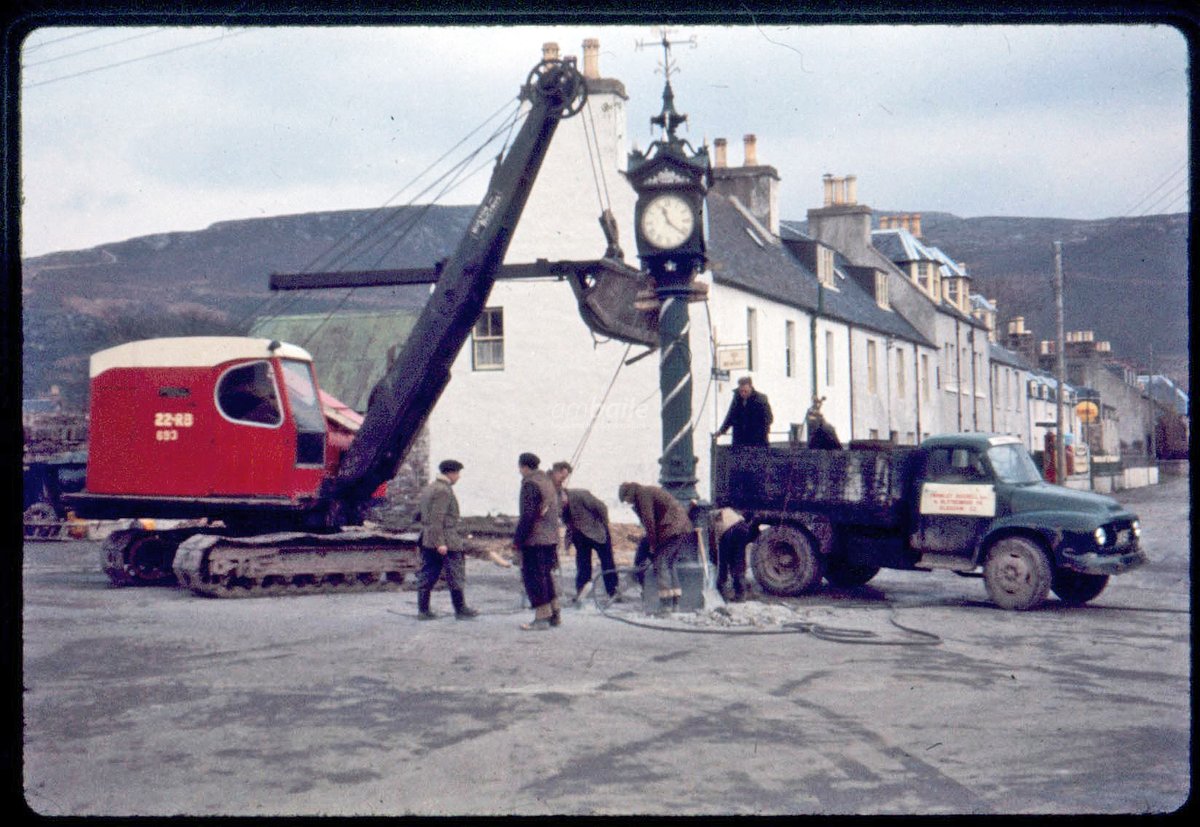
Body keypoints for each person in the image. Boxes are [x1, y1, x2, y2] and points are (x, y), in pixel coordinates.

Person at [617, 481, 696, 616]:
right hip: (680, 527)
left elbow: (649, 520)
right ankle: (675, 603)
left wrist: (653, 545)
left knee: (661, 563)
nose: (628, 503)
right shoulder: (647, 491)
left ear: (629, 493)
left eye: (626, 500)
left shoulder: (642, 494)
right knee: (670, 564)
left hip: (672, 527)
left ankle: (666, 606)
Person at [414, 459, 478, 621]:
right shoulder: (444, 490)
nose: (458, 477)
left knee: (428, 573)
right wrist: (440, 542)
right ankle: (460, 609)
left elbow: (419, 514)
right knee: (455, 572)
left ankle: (423, 610)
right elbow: (438, 518)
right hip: (445, 539)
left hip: (428, 538)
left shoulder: (430, 488)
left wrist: (432, 536)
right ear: (450, 473)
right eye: (458, 473)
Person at [550, 461, 620, 604]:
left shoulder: (581, 494)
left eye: (561, 501)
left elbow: (601, 508)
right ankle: (581, 592)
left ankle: (613, 592)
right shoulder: (559, 506)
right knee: (582, 564)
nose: (561, 504)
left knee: (607, 562)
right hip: (580, 537)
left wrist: (603, 525)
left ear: (564, 494)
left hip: (598, 533)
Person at [513, 452, 562, 631]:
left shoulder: (530, 484)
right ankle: (555, 614)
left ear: (524, 467)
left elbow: (528, 516)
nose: (519, 470)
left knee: (534, 577)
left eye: (519, 467)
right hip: (550, 538)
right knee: (546, 575)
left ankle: (541, 618)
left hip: (535, 539)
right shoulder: (547, 482)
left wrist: (518, 540)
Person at [715, 377, 773, 446]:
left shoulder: (761, 399)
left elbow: (769, 418)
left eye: (746, 391)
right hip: (739, 441)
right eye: (741, 391)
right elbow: (730, 416)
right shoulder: (736, 399)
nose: (743, 394)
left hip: (757, 441)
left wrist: (760, 430)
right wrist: (721, 431)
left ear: (751, 388)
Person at [711, 507, 752, 602]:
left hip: (729, 531)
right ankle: (741, 592)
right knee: (739, 559)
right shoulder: (721, 512)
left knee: (727, 561)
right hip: (742, 527)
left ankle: (730, 591)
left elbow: (721, 557)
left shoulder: (713, 521)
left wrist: (721, 576)